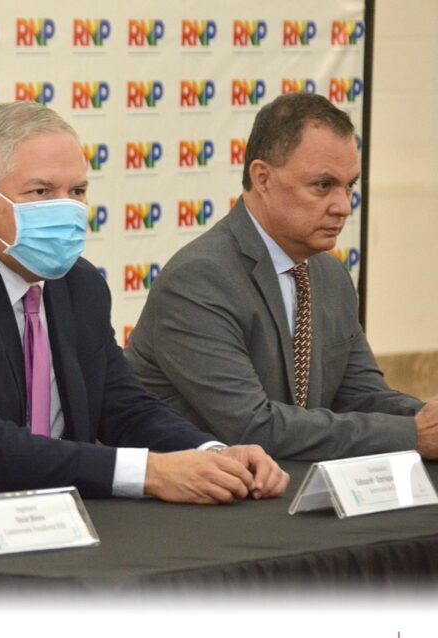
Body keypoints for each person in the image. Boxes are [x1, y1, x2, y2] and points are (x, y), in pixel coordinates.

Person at [0, 101, 288, 504]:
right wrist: (150, 473)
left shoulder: (79, 285)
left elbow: (122, 405)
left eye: (78, 192)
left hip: (53, 520)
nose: (67, 209)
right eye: (41, 193)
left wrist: (212, 453)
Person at [125, 92, 438, 461]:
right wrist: (411, 435)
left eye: (350, 186)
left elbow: (360, 396)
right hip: (200, 491)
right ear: (262, 178)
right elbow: (253, 427)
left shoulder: (330, 275)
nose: (343, 206)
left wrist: (424, 419)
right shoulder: (198, 280)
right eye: (323, 185)